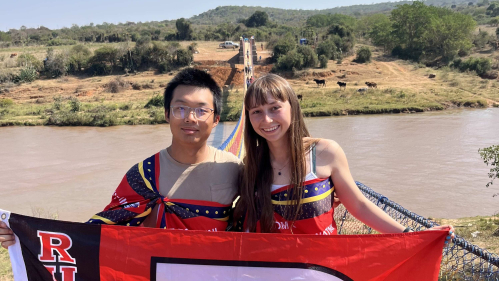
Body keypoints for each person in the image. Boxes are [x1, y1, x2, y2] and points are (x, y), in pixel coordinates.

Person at [1, 68, 242, 249]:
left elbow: (259, 223)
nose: (190, 118)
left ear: (217, 118)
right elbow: (101, 231)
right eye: (180, 108)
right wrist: (24, 236)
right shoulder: (144, 175)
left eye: (201, 110)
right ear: (167, 114)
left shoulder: (234, 169)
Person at [233, 74, 455, 241]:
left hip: (321, 269)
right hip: (266, 269)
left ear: (292, 107)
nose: (267, 120)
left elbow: (358, 205)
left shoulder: (325, 153)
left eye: (274, 108)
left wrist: (412, 235)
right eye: (257, 112)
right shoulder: (249, 166)